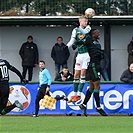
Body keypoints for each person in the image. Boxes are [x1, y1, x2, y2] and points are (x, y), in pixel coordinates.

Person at [79, 29, 107, 116]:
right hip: (93, 65)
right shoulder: (89, 40)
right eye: (97, 33)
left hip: (96, 65)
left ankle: (83, 104)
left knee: (92, 86)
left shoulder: (97, 42)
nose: (99, 34)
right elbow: (80, 42)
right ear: (93, 34)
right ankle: (98, 107)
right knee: (97, 86)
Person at [67, 15, 91, 102]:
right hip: (79, 55)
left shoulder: (88, 28)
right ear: (80, 21)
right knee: (76, 74)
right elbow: (72, 40)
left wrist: (78, 28)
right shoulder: (75, 30)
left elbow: (84, 31)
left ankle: (79, 94)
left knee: (83, 73)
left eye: (86, 21)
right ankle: (74, 94)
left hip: (86, 54)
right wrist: (66, 47)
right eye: (84, 21)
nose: (86, 23)